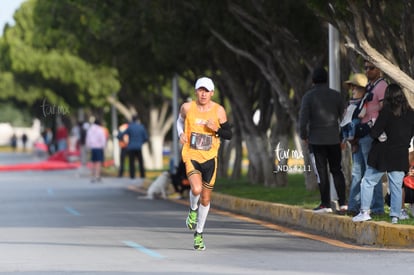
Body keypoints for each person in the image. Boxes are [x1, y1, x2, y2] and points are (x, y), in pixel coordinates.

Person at [177, 76, 232, 250]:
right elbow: (179, 121)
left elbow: (229, 134)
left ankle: (199, 234)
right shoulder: (187, 108)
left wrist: (217, 129)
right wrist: (181, 134)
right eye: (200, 90)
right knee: (196, 189)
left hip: (210, 157)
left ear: (212, 93)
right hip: (191, 154)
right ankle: (192, 210)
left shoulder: (219, 111)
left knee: (206, 199)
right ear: (196, 91)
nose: (203, 94)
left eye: (206, 91)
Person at [352, 83, 414, 224]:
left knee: (367, 182)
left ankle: (364, 212)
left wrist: (380, 132)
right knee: (396, 187)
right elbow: (410, 135)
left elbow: (374, 133)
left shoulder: (386, 111)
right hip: (400, 155)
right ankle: (395, 216)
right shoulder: (411, 114)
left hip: (382, 154)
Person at [299, 67, 347, 213]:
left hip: (316, 140)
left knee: (321, 172)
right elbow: (344, 119)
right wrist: (342, 138)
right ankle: (343, 203)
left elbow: (303, 119)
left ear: (313, 80)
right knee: (337, 170)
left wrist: (304, 136)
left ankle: (325, 204)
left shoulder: (308, 96)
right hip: (334, 139)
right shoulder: (336, 96)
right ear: (326, 79)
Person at [347, 61, 388, 215]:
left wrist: (378, 132)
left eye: (371, 68)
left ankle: (377, 208)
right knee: (358, 172)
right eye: (365, 68)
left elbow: (384, 111)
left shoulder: (382, 86)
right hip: (360, 134)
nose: (368, 71)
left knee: (372, 173)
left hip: (371, 135)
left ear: (379, 69)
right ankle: (354, 206)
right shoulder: (369, 87)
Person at [118, 115, 148, 182]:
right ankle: (142, 175)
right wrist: (140, 142)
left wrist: (123, 140)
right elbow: (146, 138)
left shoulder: (130, 127)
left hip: (131, 147)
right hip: (138, 147)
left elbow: (121, 135)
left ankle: (132, 175)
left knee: (131, 162)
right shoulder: (141, 127)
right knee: (140, 162)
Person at [340, 73, 368, 143]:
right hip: (353, 142)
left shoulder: (365, 102)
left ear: (363, 89)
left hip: (362, 138)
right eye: (351, 86)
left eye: (354, 87)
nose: (352, 89)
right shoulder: (350, 102)